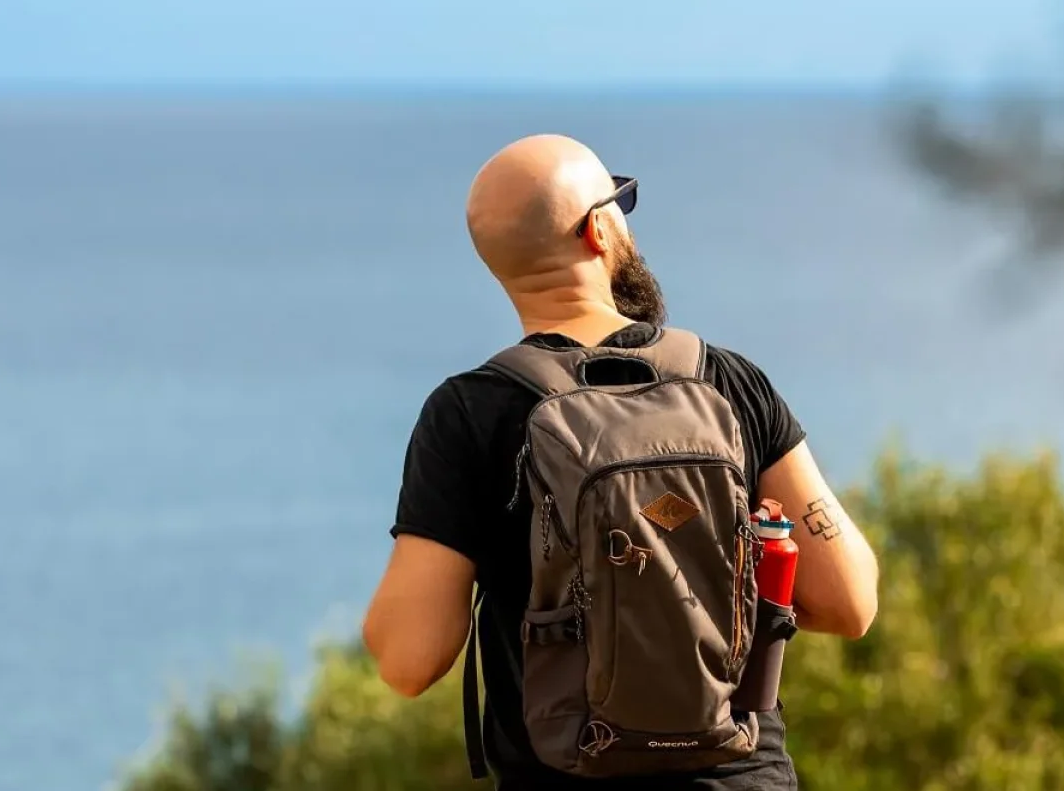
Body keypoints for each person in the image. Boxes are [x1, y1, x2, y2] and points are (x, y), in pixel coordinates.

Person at [361, 134, 879, 790]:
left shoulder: (470, 412)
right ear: (598, 229)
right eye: (621, 202)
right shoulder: (728, 382)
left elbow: (409, 659)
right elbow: (848, 603)